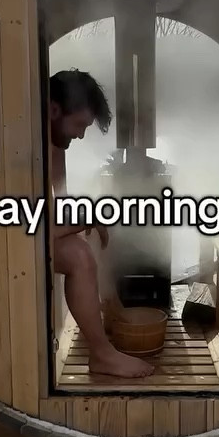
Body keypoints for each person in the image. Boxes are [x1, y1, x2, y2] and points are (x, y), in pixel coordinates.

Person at [49, 69, 154, 379]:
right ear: (54, 109)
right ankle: (102, 354)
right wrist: (87, 218)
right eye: (79, 125)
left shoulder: (54, 141)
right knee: (79, 255)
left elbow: (61, 204)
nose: (80, 135)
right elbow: (37, 228)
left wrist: (89, 218)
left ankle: (110, 308)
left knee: (90, 235)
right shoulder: (26, 143)